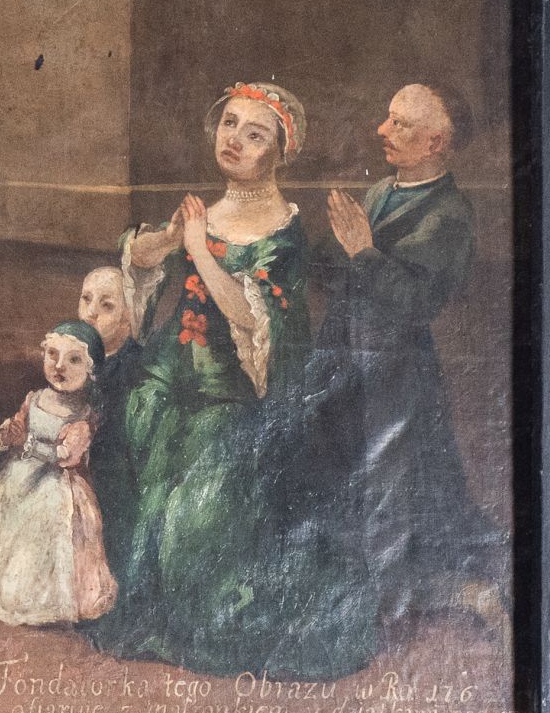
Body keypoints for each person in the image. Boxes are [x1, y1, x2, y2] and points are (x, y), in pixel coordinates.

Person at [87, 82, 376, 680]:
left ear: (280, 153)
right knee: (128, 444)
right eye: (230, 124)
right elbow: (141, 259)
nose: (235, 140)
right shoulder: (204, 213)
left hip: (233, 394)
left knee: (197, 513)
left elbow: (249, 317)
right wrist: (167, 240)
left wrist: (199, 248)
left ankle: (202, 616)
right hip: (167, 379)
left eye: (255, 134)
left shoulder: (283, 232)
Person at [313, 81, 506, 622]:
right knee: (338, 458)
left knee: (389, 476)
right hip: (346, 353)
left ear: (435, 143)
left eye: (400, 124)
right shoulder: (381, 191)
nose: (382, 130)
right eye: (388, 117)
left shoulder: (450, 215)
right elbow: (335, 270)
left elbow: (417, 301)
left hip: (396, 367)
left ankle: (392, 597)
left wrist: (362, 253)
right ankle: (354, 578)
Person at [0, 318, 118, 627]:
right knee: (6, 522)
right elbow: (21, 426)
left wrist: (32, 445)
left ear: (90, 370)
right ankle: (9, 592)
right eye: (53, 355)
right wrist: (11, 432)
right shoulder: (35, 399)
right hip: (19, 477)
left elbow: (66, 456)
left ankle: (42, 601)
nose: (59, 366)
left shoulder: (84, 415)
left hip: (58, 486)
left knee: (45, 531)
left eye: (73, 360)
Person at [76, 258, 147, 569]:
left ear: (128, 319)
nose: (91, 312)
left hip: (114, 479)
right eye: (86, 299)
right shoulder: (77, 355)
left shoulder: (132, 367)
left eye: (106, 306)